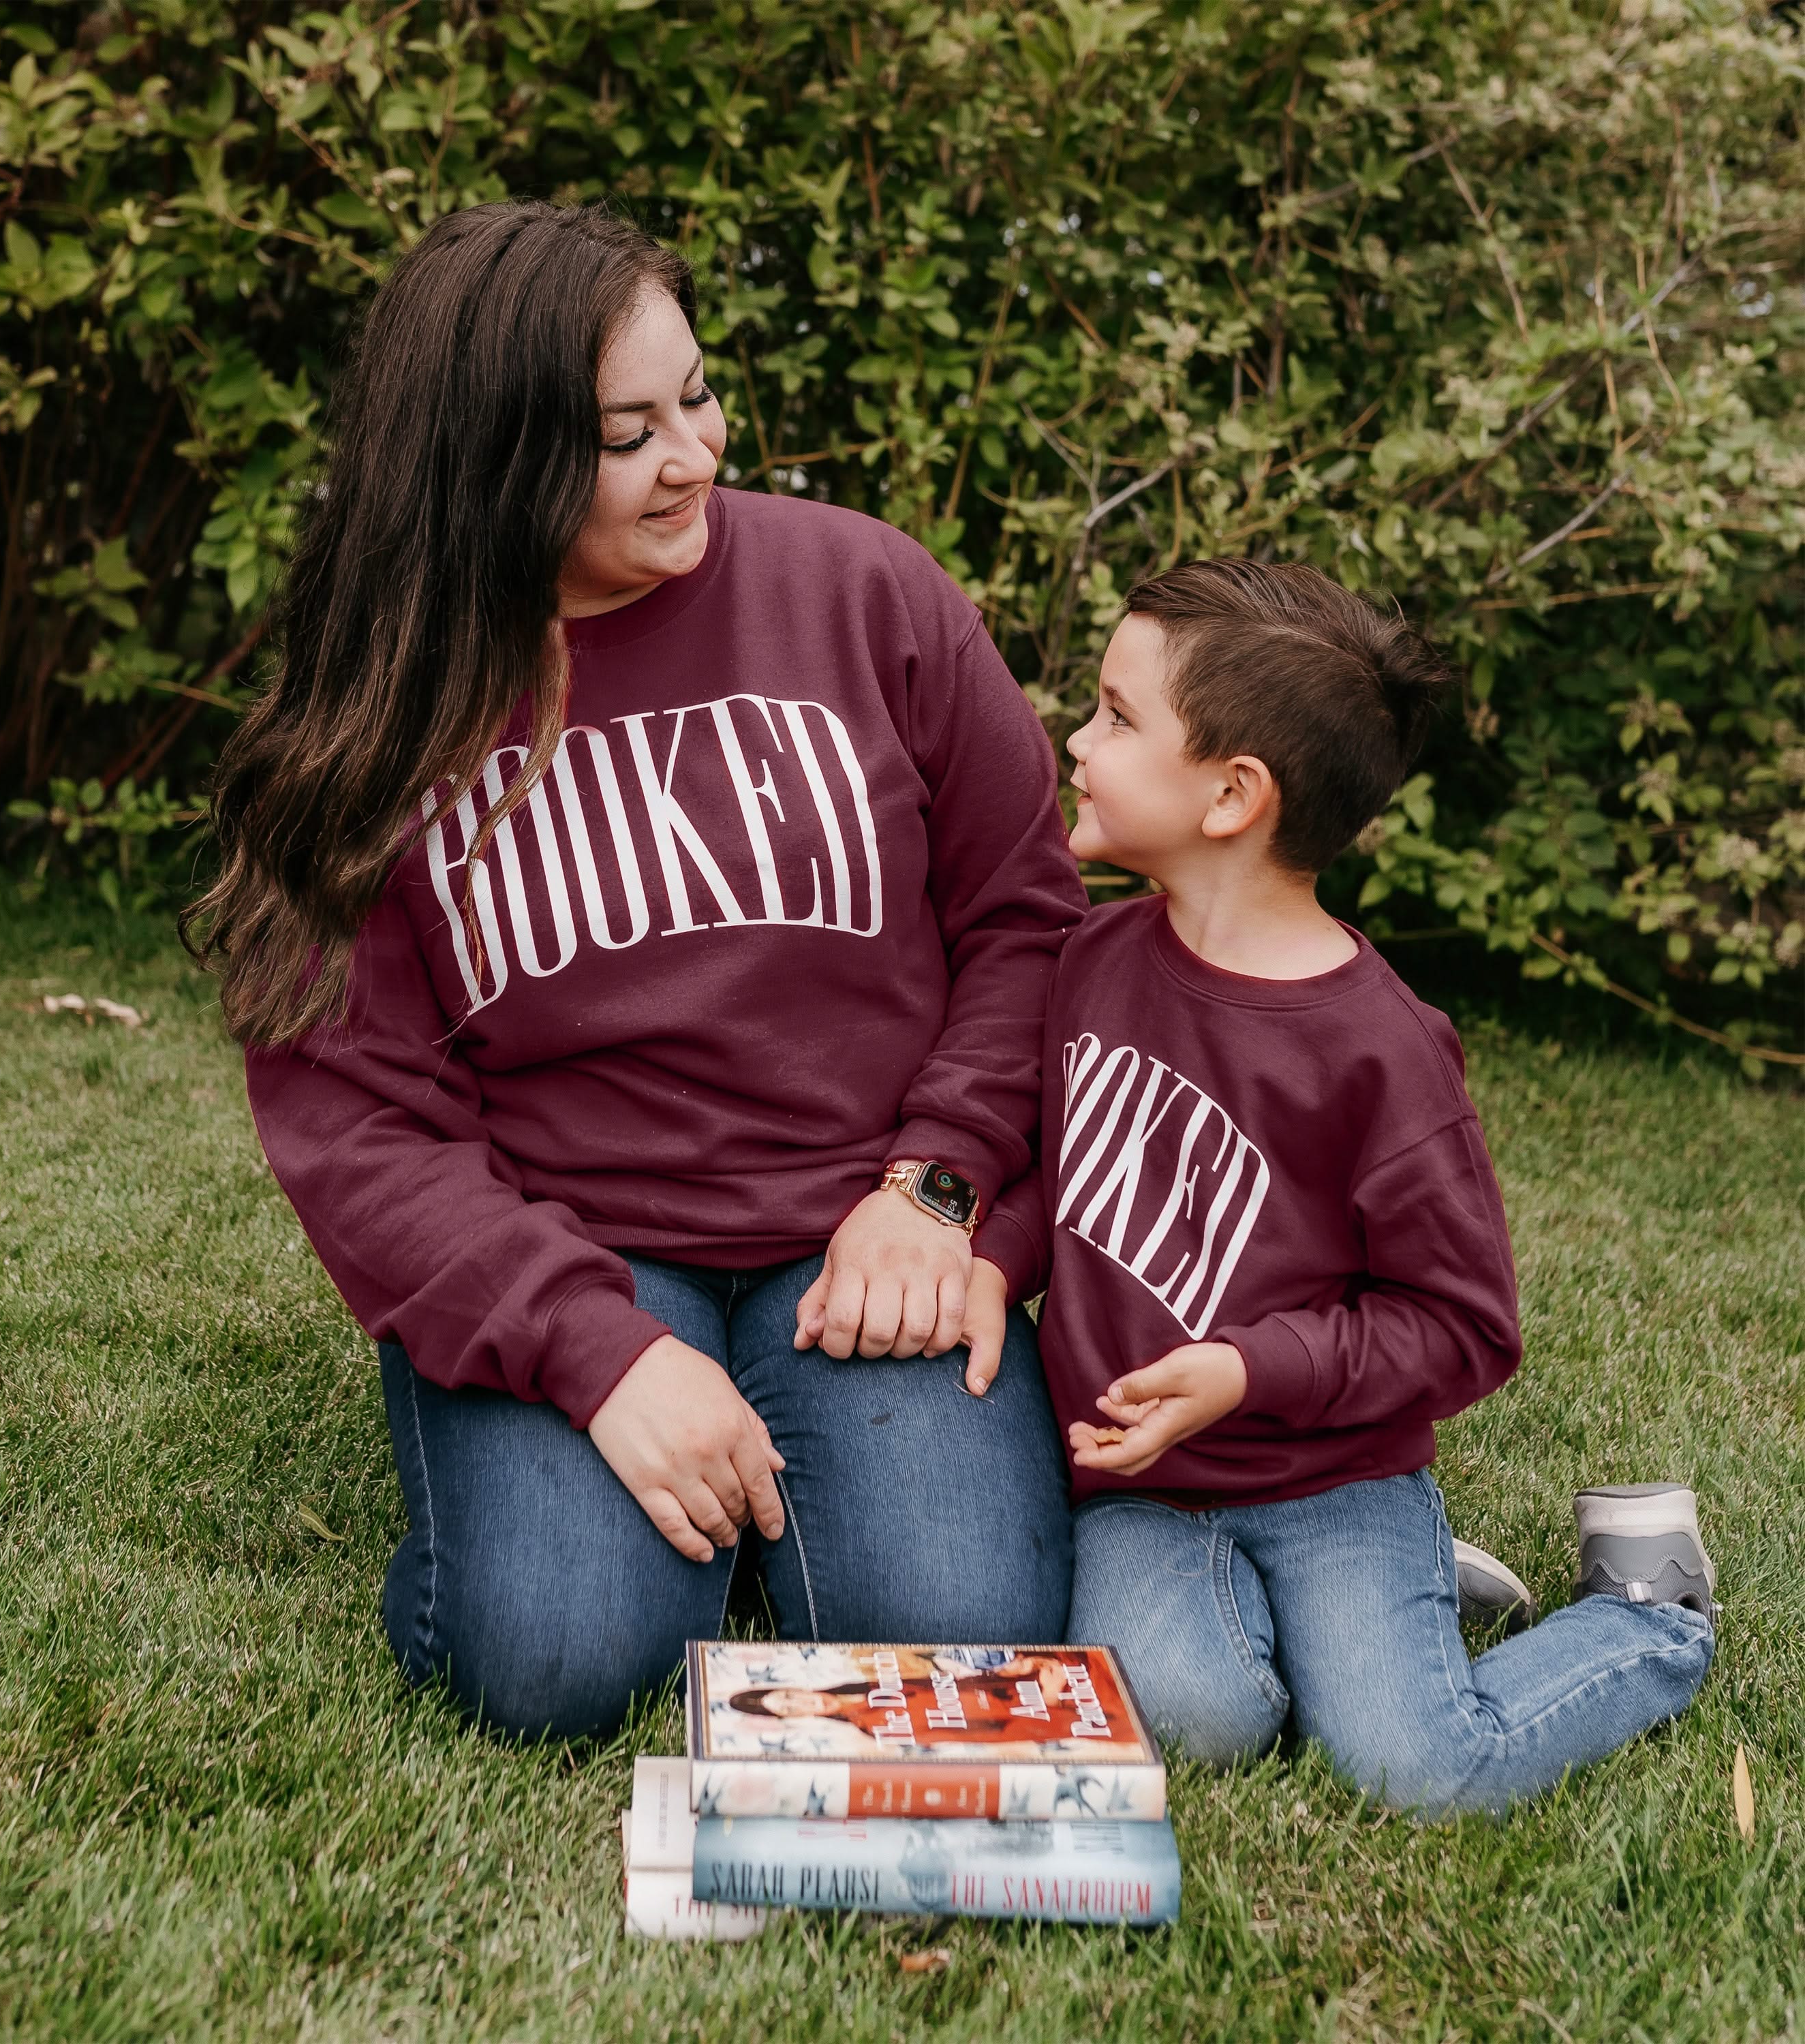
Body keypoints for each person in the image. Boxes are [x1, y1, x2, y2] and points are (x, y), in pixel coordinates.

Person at [181, 202, 1085, 1740]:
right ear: (492, 461)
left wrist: (940, 1188)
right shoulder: (386, 707)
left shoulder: (869, 594)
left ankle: (762, 1501)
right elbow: (358, 1118)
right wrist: (597, 1354)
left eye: (699, 397)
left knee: (952, 1641)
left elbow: (1027, 922)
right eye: (625, 434)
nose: (694, 458)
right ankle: (609, 1497)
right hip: (573, 1241)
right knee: (549, 1659)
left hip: (856, 1235)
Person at [964, 559, 1716, 1814]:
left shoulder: (1383, 1052)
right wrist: (996, 1255)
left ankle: (1648, 1614)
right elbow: (1066, 1169)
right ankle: (1394, 1609)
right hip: (1139, 1491)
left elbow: (1464, 1327)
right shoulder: (1092, 960)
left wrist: (1248, 1372)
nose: (1077, 740)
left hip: (1331, 1478)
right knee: (1200, 1723)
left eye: (1116, 716)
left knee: (1415, 1771)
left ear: (1232, 795)